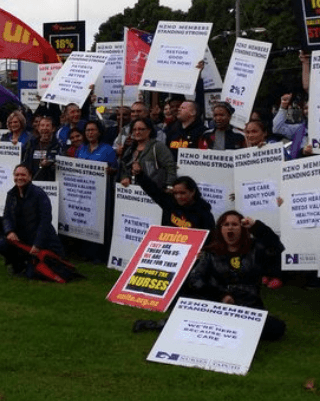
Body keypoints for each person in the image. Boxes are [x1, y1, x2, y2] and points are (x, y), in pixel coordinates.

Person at [186, 211, 286, 340]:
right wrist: (221, 295)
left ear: (243, 228)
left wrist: (256, 226)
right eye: (226, 224)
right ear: (220, 229)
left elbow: (275, 246)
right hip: (218, 305)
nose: (230, 227)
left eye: (235, 224)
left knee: (276, 328)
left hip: (248, 306)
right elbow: (195, 279)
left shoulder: (255, 248)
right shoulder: (210, 252)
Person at [0, 164, 63, 277]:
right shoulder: (11, 194)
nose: (19, 178)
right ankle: (17, 263)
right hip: (21, 239)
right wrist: (9, 231)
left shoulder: (39, 194)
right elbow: (6, 216)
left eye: (23, 175)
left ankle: (29, 264)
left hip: (40, 241)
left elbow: (45, 222)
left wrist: (37, 244)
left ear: (30, 177)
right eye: (17, 175)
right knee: (0, 244)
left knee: (31, 274)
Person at [137, 173, 215, 231]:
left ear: (192, 192)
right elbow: (152, 190)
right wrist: (139, 174)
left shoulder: (204, 213)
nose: (178, 197)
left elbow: (210, 239)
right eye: (175, 193)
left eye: (182, 193)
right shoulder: (169, 203)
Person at [117, 118, 176, 189]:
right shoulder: (130, 149)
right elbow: (124, 168)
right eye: (134, 130)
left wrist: (169, 186)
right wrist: (125, 177)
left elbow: (170, 167)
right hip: (134, 192)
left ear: (149, 130)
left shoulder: (158, 147)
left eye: (141, 129)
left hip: (155, 191)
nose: (137, 132)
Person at [22, 117, 62, 181]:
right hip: (34, 180)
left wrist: (51, 163)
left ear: (53, 129)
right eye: (42, 125)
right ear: (38, 128)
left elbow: (62, 163)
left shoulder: (58, 145)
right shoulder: (32, 144)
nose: (45, 128)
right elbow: (26, 162)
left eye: (47, 125)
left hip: (52, 182)